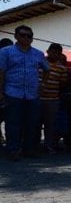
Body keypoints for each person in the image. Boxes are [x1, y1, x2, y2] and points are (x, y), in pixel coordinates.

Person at [0, 25, 49, 160]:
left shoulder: (38, 54)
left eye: (29, 36)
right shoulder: (6, 52)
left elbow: (47, 69)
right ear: (16, 36)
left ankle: (28, 149)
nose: (26, 38)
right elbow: (1, 72)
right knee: (13, 124)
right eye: (23, 35)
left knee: (31, 124)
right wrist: (0, 92)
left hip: (32, 95)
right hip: (12, 92)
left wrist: (42, 84)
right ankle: (13, 150)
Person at [39, 43, 68, 153]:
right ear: (48, 51)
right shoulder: (39, 63)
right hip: (38, 98)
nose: (55, 54)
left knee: (50, 125)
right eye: (53, 51)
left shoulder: (62, 68)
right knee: (35, 123)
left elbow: (63, 84)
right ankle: (34, 145)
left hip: (53, 100)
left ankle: (48, 145)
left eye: (58, 53)